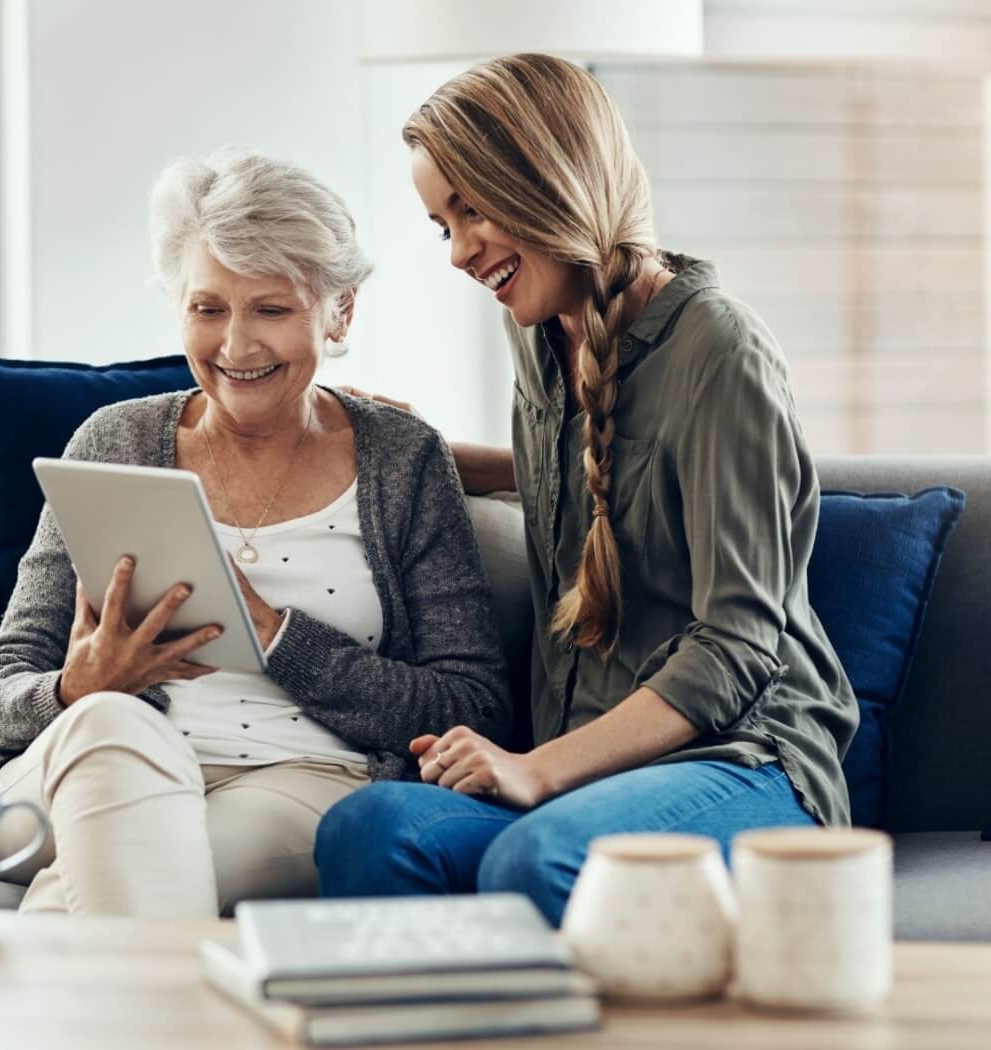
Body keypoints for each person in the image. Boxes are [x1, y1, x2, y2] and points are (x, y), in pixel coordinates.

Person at [317, 54, 859, 925]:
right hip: (588, 769)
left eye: (474, 209)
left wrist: (538, 768)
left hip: (743, 761)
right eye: (439, 224)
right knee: (369, 828)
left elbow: (739, 643)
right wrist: (418, 453)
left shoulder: (719, 351)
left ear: (550, 180)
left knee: (539, 858)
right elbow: (590, 475)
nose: (459, 252)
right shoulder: (538, 332)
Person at [0, 150, 511, 918]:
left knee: (110, 881)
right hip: (86, 756)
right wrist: (76, 688)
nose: (237, 346)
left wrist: (279, 636)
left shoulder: (402, 459)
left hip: (301, 779)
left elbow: (475, 704)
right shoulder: (111, 440)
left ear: (340, 311)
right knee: (115, 737)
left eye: (272, 309)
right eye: (208, 308)